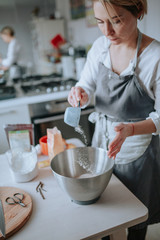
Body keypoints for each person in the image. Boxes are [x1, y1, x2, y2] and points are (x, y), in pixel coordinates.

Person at [68, 0, 160, 239]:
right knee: (105, 206)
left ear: (138, 11)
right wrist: (80, 93)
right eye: (100, 22)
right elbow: (86, 84)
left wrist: (129, 129)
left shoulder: (156, 57)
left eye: (116, 21)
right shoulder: (100, 47)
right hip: (102, 139)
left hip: (139, 145)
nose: (107, 31)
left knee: (137, 214)